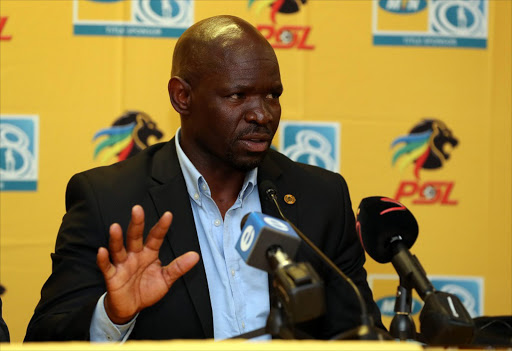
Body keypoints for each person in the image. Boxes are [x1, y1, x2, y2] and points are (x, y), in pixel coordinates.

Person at [24, 15, 383, 342]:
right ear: (182, 97)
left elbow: (362, 335)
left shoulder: (320, 196)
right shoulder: (108, 199)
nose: (262, 114)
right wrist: (114, 315)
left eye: (273, 95)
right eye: (238, 95)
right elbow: (43, 340)